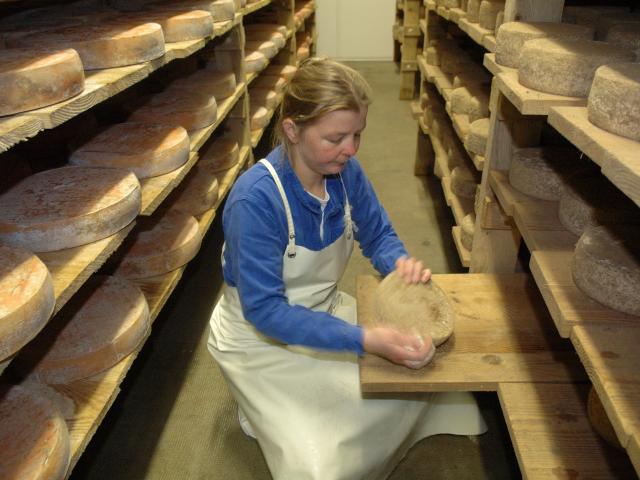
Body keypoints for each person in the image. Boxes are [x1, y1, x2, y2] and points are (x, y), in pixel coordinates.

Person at [207, 57, 486, 480]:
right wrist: (365, 340)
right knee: (323, 465)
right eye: (336, 137)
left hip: (324, 309)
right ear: (292, 129)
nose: (351, 149)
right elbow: (265, 311)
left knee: (422, 375)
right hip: (260, 337)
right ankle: (262, 408)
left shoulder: (344, 171)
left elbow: (378, 234)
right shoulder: (256, 202)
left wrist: (400, 263)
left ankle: (279, 412)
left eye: (358, 134)